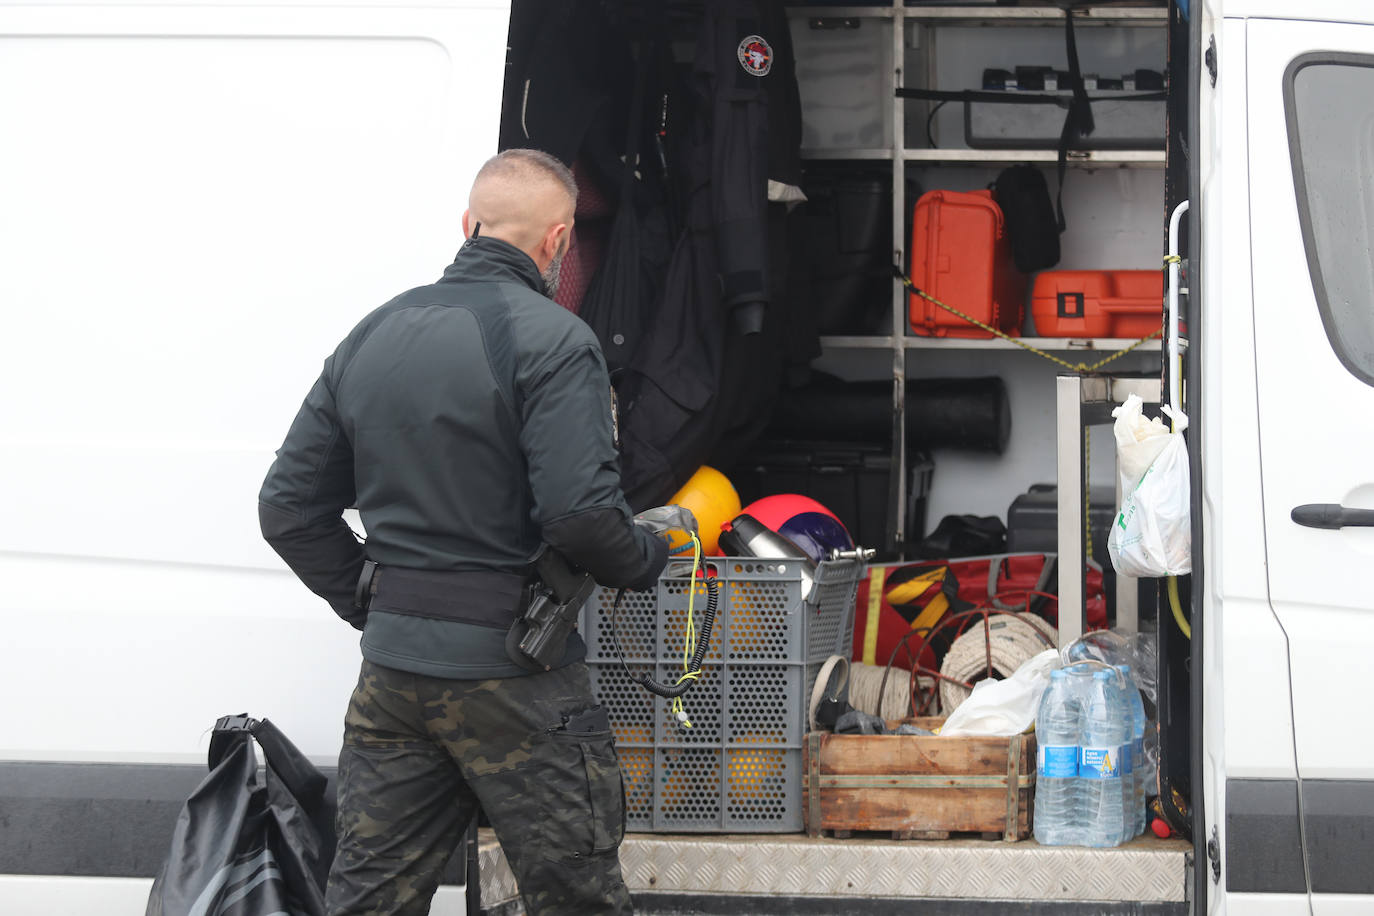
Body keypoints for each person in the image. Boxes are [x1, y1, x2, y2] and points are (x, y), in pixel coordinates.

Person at [258, 148, 668, 915]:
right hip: (514, 682)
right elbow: (582, 518)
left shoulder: (371, 334)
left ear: (467, 225)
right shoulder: (555, 339)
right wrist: (648, 555)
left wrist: (376, 601)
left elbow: (288, 508)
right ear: (557, 243)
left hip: (393, 680)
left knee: (369, 899)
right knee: (575, 899)